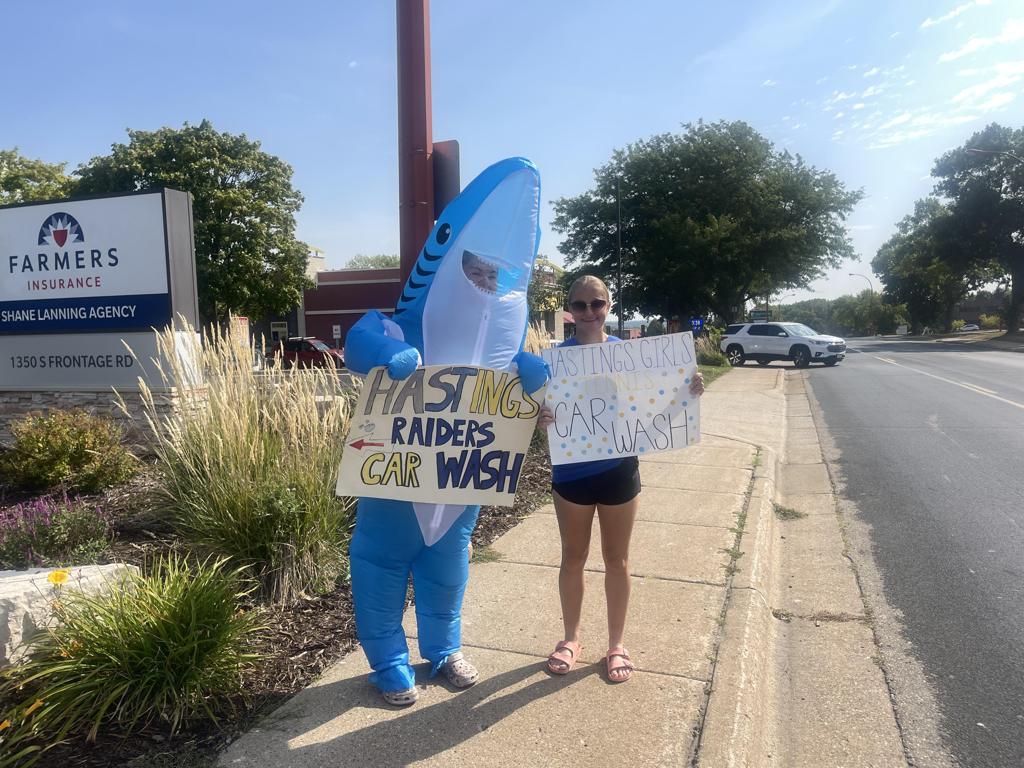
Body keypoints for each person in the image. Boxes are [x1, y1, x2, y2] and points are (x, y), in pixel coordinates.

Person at [537, 275, 705, 683]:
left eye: (597, 303)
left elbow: (657, 404)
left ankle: (616, 644)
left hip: (619, 471)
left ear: (608, 306)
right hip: (571, 474)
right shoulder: (552, 363)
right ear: (569, 310)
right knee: (572, 558)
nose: (589, 312)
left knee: (618, 560)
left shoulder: (632, 355)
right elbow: (539, 419)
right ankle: (570, 638)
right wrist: (541, 418)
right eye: (580, 305)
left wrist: (688, 390)